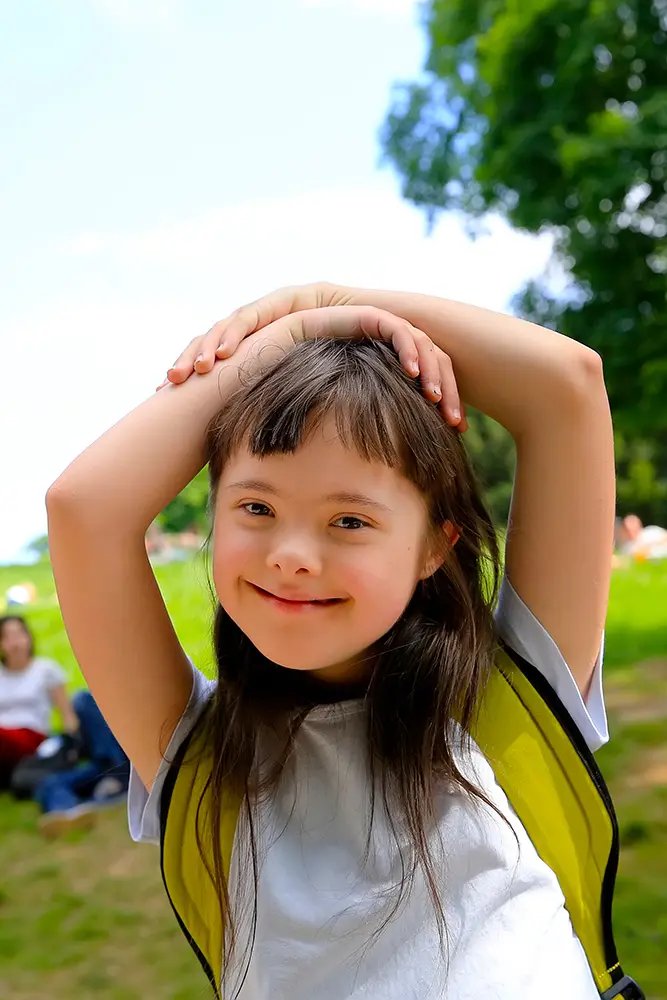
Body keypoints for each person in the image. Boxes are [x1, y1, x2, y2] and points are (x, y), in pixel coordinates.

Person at [46, 283, 625, 1000]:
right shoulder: (199, 752)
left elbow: (565, 385)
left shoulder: (512, 696)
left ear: (433, 548)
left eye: (348, 521)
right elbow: (82, 509)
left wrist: (325, 299)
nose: (290, 555)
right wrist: (300, 334)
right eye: (255, 506)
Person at [34, 690, 130, 838]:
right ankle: (70, 812)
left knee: (82, 699)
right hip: (98, 766)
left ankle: (116, 781)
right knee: (50, 783)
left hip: (120, 763)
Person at [0, 615, 79, 788]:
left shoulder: (45, 670)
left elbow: (67, 714)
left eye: (19, 635)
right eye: (7, 637)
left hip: (31, 735)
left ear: (29, 637)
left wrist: (69, 745)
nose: (14, 643)